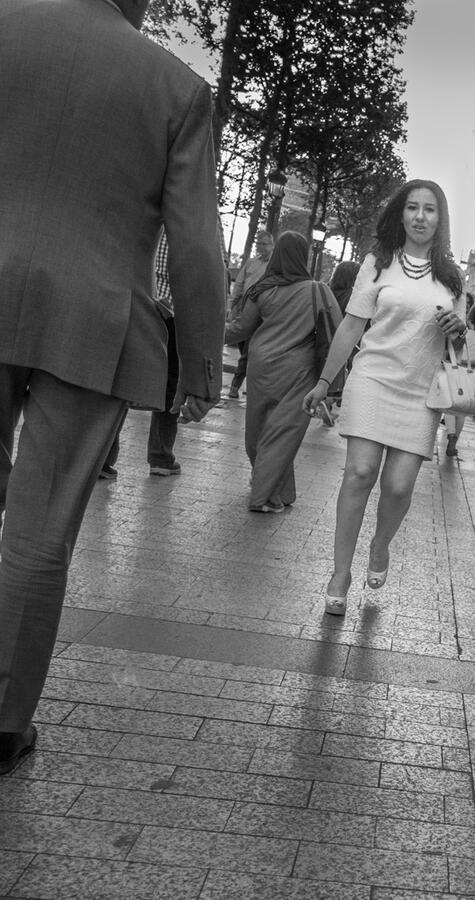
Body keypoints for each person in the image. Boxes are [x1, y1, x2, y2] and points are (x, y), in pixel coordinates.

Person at [0, 0, 224, 775]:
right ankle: (3, 720)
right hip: (95, 321)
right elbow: (195, 241)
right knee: (40, 529)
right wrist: (198, 364)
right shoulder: (176, 87)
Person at [302, 180, 467, 616]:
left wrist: (459, 330)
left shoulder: (451, 278)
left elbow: (459, 350)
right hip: (373, 378)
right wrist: (324, 381)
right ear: (400, 213)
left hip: (420, 390)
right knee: (360, 472)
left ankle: (380, 544)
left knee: (398, 486)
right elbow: (352, 327)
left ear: (440, 219)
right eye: (412, 207)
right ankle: (340, 572)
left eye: (429, 209)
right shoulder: (377, 263)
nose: (419, 216)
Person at [226, 232, 341, 512]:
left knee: (259, 430)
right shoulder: (318, 290)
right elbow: (337, 333)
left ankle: (282, 491)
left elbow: (239, 329)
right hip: (299, 373)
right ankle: (263, 497)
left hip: (260, 369)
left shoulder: (261, 289)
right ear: (303, 257)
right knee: (282, 434)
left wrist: (203, 332)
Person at [100, 232, 188, 479]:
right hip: (172, 313)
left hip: (135, 302)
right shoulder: (189, 212)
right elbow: (204, 269)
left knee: (120, 377)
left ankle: (103, 458)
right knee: (170, 385)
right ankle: (161, 457)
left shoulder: (140, 202)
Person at [228, 229, 273, 399]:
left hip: (261, 311)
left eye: (263, 244)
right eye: (258, 244)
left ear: (271, 245)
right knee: (243, 346)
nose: (260, 247)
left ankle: (235, 385)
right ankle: (248, 380)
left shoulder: (274, 265)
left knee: (248, 349)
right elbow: (239, 284)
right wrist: (232, 306)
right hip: (243, 306)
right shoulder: (251, 263)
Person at [446, 305, 475, 457]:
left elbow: (450, 350)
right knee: (462, 410)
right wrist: (470, 362)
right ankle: (454, 441)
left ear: (470, 318)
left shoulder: (463, 334)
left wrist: (461, 361)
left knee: (449, 405)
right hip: (473, 377)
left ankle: (450, 433)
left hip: (454, 372)